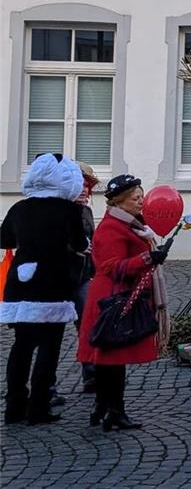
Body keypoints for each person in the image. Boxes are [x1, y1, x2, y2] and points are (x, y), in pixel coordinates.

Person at [77, 172, 171, 431]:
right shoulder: (112, 228)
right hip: (112, 300)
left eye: (141, 196)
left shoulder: (130, 224)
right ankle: (114, 412)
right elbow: (110, 267)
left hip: (118, 297)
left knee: (111, 359)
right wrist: (148, 259)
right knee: (112, 359)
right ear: (120, 201)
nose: (141, 201)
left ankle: (105, 408)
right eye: (135, 198)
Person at [1, 154, 87, 425]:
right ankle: (38, 407)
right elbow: (80, 243)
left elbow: (5, 239)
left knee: (21, 347)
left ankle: (14, 406)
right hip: (53, 282)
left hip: (21, 281)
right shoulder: (68, 210)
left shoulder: (19, 208)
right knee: (49, 349)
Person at [73, 163, 100, 394]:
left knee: (86, 324)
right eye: (80, 184)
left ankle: (91, 375)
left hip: (82, 277)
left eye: (87, 185)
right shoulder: (61, 211)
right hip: (61, 278)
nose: (84, 189)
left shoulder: (87, 211)